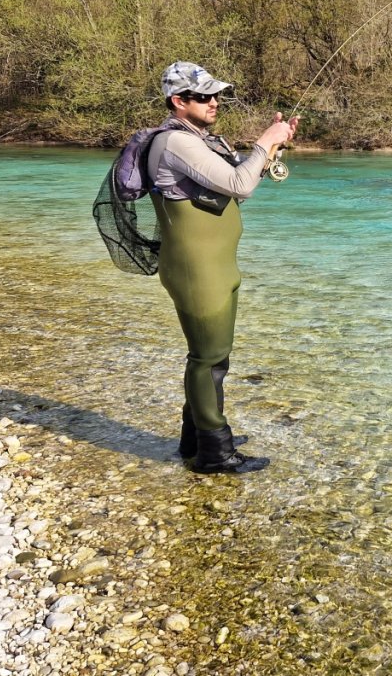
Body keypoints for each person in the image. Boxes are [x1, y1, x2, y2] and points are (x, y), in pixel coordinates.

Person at [147, 61, 298, 474]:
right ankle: (214, 452)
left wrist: (271, 152)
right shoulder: (176, 143)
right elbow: (239, 186)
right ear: (179, 101)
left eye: (216, 95)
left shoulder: (200, 140)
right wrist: (265, 142)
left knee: (216, 357)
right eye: (204, 96)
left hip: (217, 268)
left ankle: (196, 437)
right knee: (207, 357)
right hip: (197, 270)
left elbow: (235, 183)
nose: (215, 102)